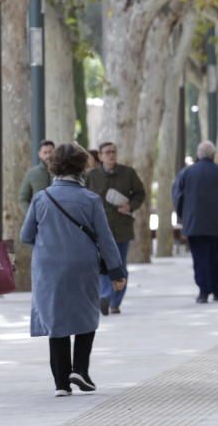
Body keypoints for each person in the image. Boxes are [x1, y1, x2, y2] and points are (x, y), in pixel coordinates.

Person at [21, 143, 126, 397]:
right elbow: (105, 238)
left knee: (55, 320)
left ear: (53, 166)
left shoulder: (41, 198)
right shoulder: (90, 199)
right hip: (83, 265)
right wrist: (116, 271)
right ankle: (80, 369)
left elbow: (26, 235)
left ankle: (61, 384)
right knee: (85, 314)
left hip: (49, 268)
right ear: (82, 167)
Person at [172, 141, 218, 304]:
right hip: (217, 224)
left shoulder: (185, 173)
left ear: (198, 154)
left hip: (194, 224)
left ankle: (203, 291)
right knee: (216, 256)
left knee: (199, 257)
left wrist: (184, 216)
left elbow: (177, 197)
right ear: (213, 155)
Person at [85, 142, 146, 315]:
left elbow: (140, 193)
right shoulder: (92, 176)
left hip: (122, 228)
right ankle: (105, 296)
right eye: (107, 152)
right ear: (100, 156)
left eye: (113, 151)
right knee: (102, 265)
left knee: (119, 266)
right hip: (98, 230)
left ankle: (115, 302)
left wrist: (130, 206)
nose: (111, 155)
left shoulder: (128, 173)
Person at [18, 139, 55, 214]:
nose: (48, 155)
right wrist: (32, 215)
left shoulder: (62, 172)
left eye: (50, 152)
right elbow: (23, 199)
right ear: (39, 154)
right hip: (38, 220)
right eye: (45, 152)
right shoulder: (31, 173)